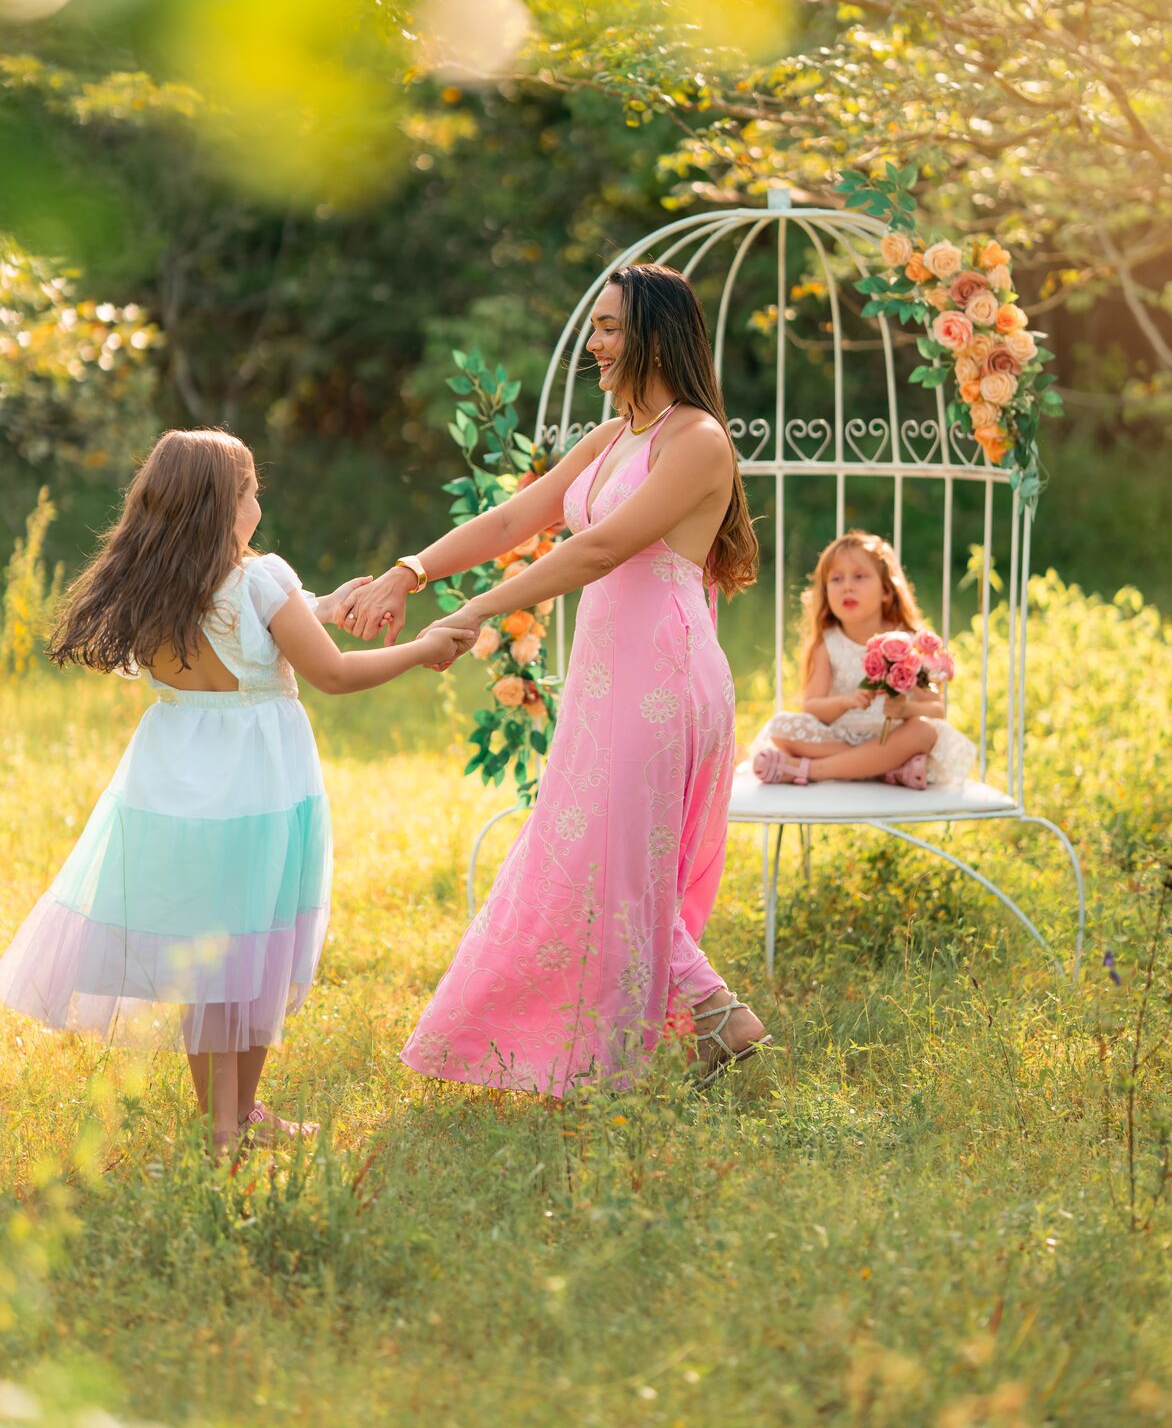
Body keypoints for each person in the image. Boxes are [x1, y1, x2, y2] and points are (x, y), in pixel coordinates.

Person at [341, 263, 767, 1093]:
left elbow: (597, 550)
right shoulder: (615, 437)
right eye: (596, 328)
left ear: (656, 332)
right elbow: (515, 518)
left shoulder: (697, 440)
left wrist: (478, 612)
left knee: (614, 859)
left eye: (611, 328)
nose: (596, 344)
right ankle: (710, 1025)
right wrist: (410, 571)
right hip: (609, 679)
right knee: (584, 852)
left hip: (667, 678)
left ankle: (640, 1050)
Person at [0, 428, 473, 1161]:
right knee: (257, 945)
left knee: (214, 950)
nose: (259, 500)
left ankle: (234, 1114)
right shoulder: (259, 579)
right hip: (258, 784)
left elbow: (247, 629)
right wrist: (422, 650)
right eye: (252, 490)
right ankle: (230, 1128)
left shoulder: (155, 583)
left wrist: (319, 605)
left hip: (175, 784)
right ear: (227, 505)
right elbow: (334, 676)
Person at [749, 529, 975, 789]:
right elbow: (812, 706)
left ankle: (812, 770)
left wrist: (906, 710)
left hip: (894, 737)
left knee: (925, 731)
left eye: (859, 577)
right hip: (841, 736)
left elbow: (937, 710)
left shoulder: (909, 642)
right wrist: (845, 702)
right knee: (782, 728)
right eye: (836, 579)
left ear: (886, 591)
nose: (847, 586)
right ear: (825, 591)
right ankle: (884, 769)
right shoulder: (828, 644)